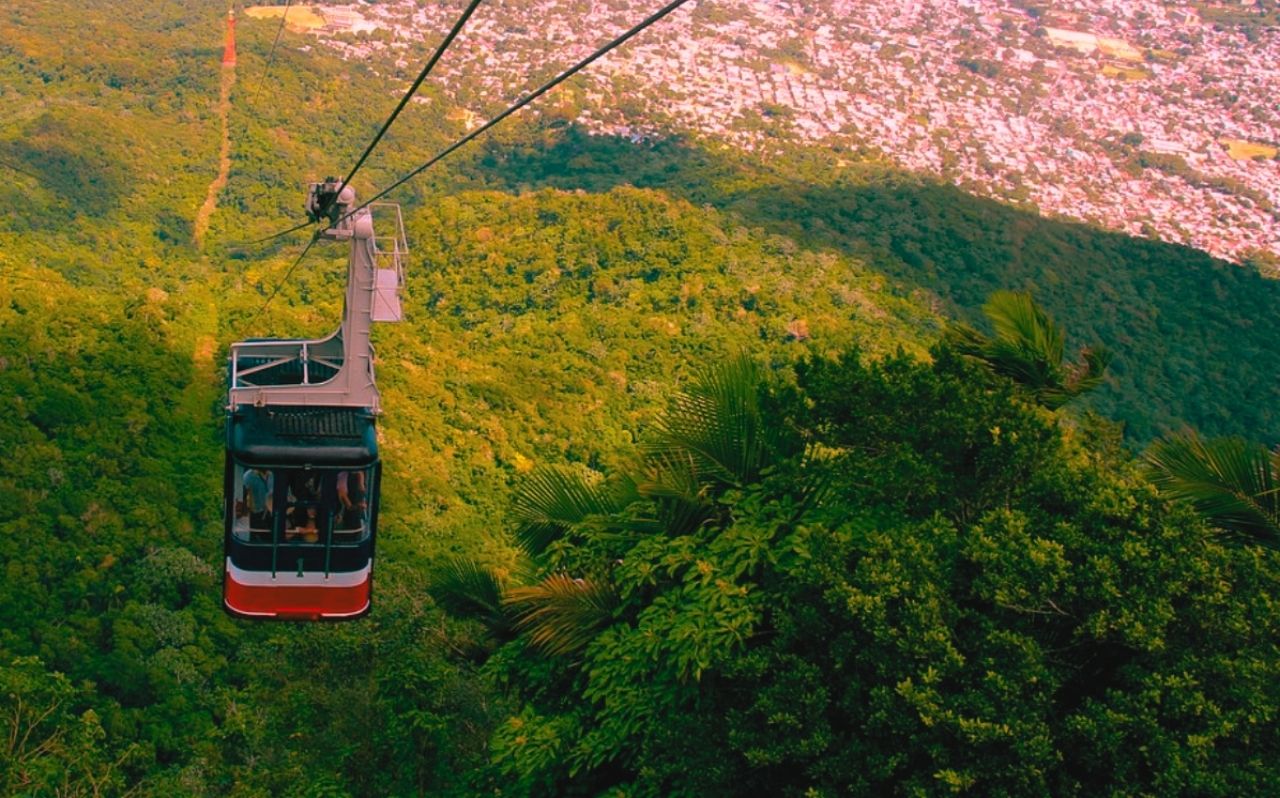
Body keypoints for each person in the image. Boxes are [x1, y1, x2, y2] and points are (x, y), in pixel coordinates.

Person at [242, 468, 273, 539]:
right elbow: (244, 499)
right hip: (256, 515)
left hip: (273, 513)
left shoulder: (274, 474)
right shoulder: (248, 476)